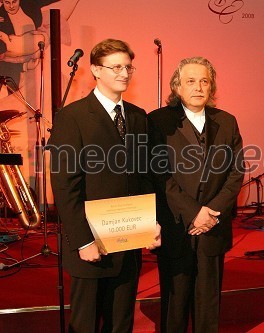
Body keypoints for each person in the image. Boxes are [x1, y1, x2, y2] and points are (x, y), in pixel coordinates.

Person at [49, 38, 161, 333]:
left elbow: (143, 176)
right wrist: (83, 240)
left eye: (128, 67)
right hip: (90, 242)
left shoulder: (138, 116)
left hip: (129, 239)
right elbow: (64, 186)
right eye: (115, 67)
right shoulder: (71, 117)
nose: (124, 73)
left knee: (121, 322)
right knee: (85, 324)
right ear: (96, 70)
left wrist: (150, 224)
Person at [148, 56, 244, 333]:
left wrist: (212, 212)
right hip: (177, 227)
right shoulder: (157, 121)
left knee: (208, 305)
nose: (198, 87)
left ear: (211, 86)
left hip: (213, 227)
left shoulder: (226, 121)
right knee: (174, 306)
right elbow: (159, 175)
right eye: (190, 81)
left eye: (204, 81)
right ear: (177, 87)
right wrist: (194, 213)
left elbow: (236, 172)